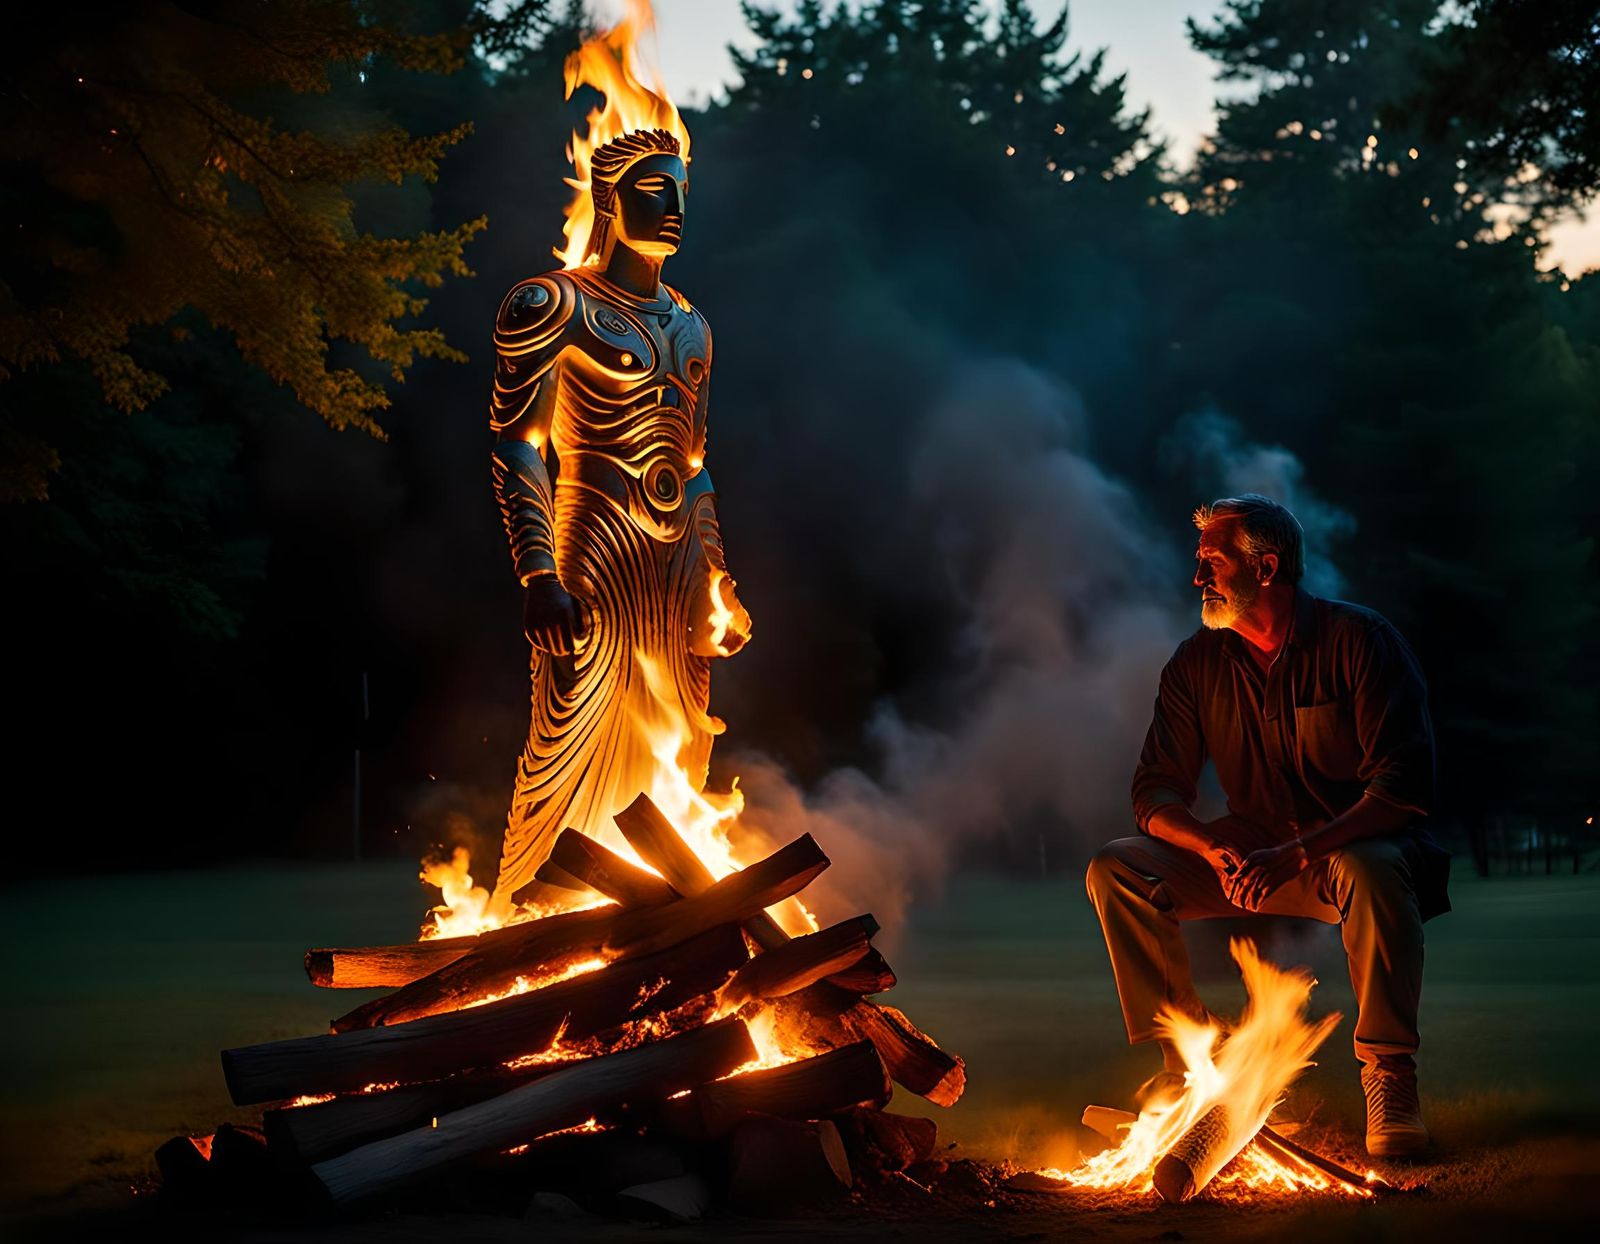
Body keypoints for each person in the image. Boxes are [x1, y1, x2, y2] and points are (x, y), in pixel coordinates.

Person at [1085, 494, 1449, 1157]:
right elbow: (1155, 791)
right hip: (1250, 853)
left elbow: (1401, 790)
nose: (1197, 577)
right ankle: (1188, 1063)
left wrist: (1300, 850)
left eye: (1213, 562)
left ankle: (1389, 1077)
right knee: (1118, 867)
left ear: (1267, 566)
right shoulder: (1197, 663)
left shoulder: (1360, 641)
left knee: (1370, 868)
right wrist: (1209, 844)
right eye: (1200, 562)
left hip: (1351, 848)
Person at [486, 126, 751, 914]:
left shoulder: (694, 324)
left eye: (681, 192)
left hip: (677, 561)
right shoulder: (553, 303)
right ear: (608, 199)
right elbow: (517, 442)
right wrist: (538, 573)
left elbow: (694, 463)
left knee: (682, 734)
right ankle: (526, 916)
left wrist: (719, 584)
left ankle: (667, 920)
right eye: (652, 189)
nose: (672, 207)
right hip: (594, 540)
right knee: (569, 733)